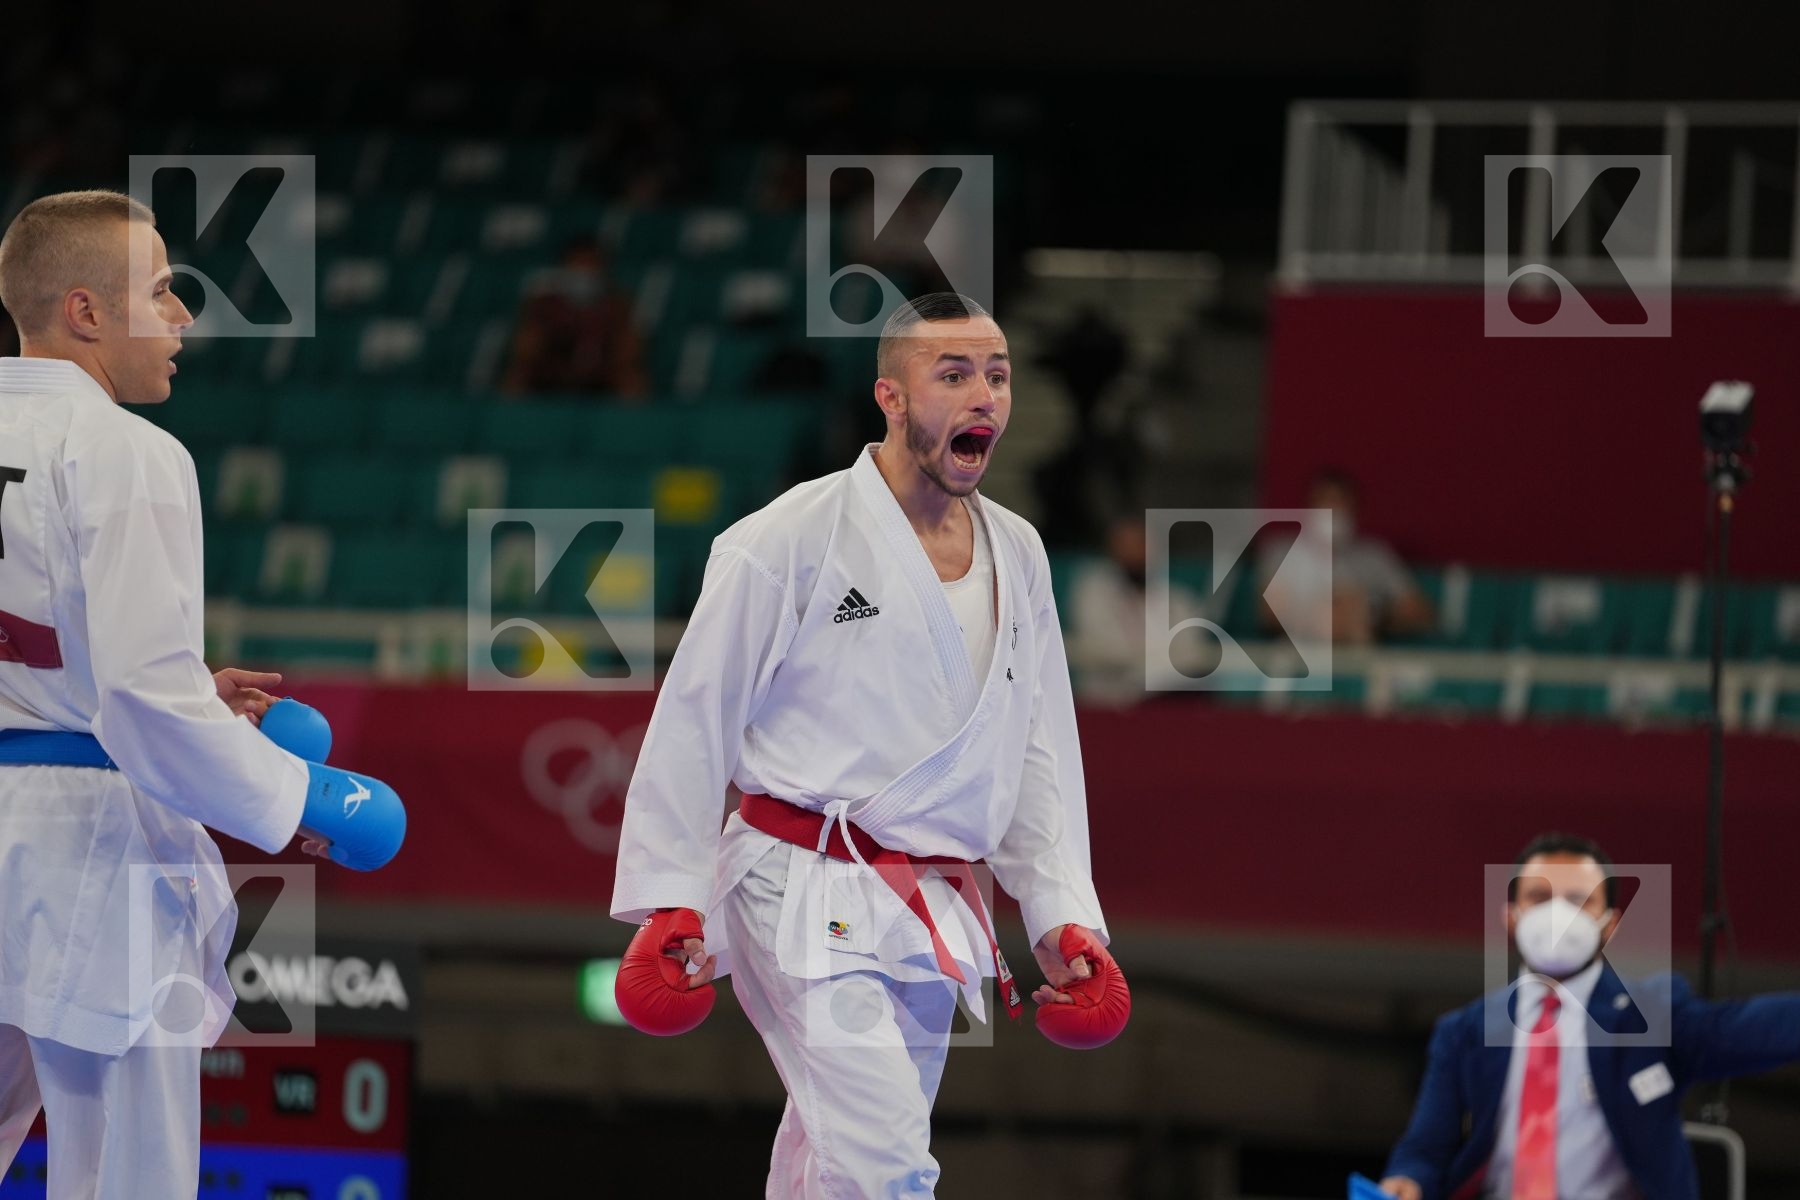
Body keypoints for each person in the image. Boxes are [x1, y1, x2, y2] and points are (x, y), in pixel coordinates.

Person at [610, 293, 1121, 1196]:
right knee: (887, 1165)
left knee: (831, 1162)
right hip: (797, 881)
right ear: (891, 396)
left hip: (931, 901)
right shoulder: (788, 538)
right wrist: (670, 896)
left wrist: (1058, 909)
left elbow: (1033, 748)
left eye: (998, 376)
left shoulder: (1021, 553)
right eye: (954, 374)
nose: (984, 396)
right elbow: (696, 716)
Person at [0, 190, 403, 1198]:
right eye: (161, 292)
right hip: (90, 850)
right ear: (86, 312)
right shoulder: (125, 451)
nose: (183, 315)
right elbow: (145, 705)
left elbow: (105, 676)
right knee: (125, 1172)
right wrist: (300, 796)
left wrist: (163, 692)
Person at [1380, 832, 1800, 1200]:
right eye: (1539, 898)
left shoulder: (1651, 1014)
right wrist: (1407, 1180)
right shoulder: (1465, 1031)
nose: (1557, 916)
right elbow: (1426, 1147)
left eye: (1578, 901)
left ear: (1609, 924)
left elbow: (1747, 1030)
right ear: (1510, 917)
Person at [1260, 468, 1434, 644]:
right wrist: (1322, 614)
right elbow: (1269, 612)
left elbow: (1419, 611)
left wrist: (1372, 613)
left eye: (1340, 503)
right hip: (1298, 648)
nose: (1331, 510)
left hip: (1361, 649)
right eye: (1324, 501)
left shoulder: (1375, 555)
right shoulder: (1282, 550)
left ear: (1355, 510)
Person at [1068, 514, 1212, 705]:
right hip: (1111, 698)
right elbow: (1101, 647)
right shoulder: (1092, 593)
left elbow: (1191, 656)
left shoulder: (1179, 601)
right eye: (1125, 546)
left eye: (1140, 545)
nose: (1133, 554)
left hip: (1168, 696)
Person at [499, 235, 647, 397]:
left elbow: (629, 350)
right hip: (551, 372)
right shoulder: (544, 304)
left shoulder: (617, 305)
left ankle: (633, 415)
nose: (584, 271)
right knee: (518, 375)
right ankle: (509, 413)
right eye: (577, 264)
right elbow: (525, 349)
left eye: (590, 264)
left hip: (600, 375)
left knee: (630, 379)